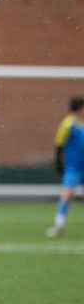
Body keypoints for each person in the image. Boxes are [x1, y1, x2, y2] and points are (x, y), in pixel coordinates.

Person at [46, 96, 84, 238]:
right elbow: (59, 144)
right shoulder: (68, 124)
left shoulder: (81, 123)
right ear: (81, 107)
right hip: (74, 167)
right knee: (67, 194)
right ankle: (59, 227)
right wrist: (58, 162)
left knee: (67, 195)